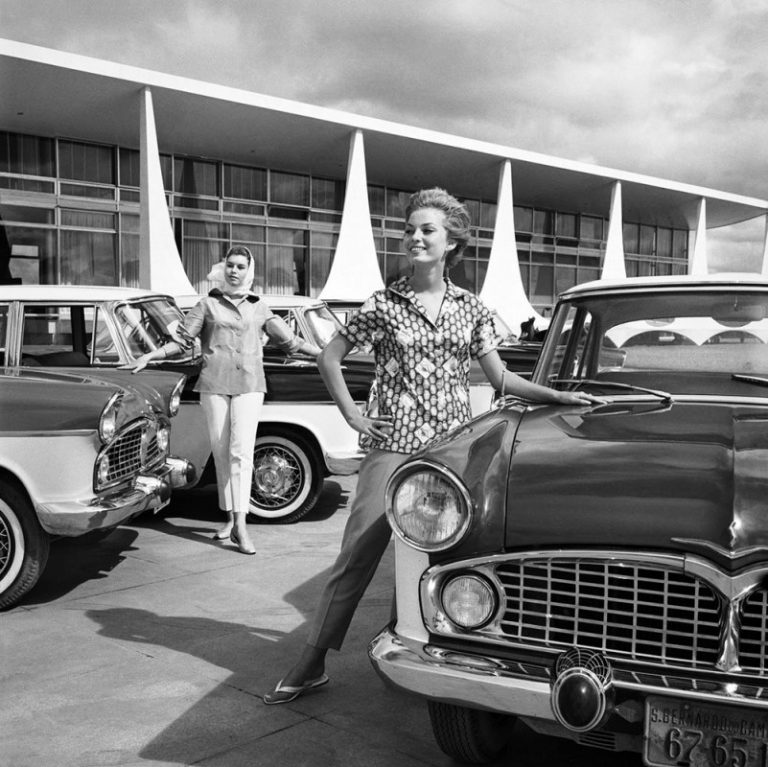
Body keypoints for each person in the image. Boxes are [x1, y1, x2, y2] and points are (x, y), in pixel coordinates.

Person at [263, 187, 603, 704]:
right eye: (410, 230)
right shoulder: (383, 303)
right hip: (394, 445)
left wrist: (557, 395)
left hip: (450, 454)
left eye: (427, 230)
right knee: (357, 554)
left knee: (441, 557)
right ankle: (311, 662)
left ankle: (424, 656)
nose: (415, 238)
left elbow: (501, 378)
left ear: (452, 243)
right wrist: (353, 414)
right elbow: (330, 357)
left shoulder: (472, 309)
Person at [128, 245, 321, 555]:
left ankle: (241, 526)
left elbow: (291, 342)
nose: (234, 271)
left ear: (249, 271)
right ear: (224, 268)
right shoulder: (207, 304)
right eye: (230, 265)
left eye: (241, 266)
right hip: (214, 385)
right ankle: (230, 519)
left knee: (241, 453)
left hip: (250, 385)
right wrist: (151, 356)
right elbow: (182, 341)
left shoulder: (259, 307)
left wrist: (324, 355)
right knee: (221, 453)